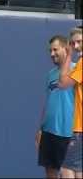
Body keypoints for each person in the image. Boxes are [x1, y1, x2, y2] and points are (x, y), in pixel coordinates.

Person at [34, 35, 75, 178]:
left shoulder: (77, 71)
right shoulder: (51, 75)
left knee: (67, 173)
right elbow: (49, 102)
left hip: (69, 133)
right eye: (50, 51)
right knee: (50, 173)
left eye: (55, 50)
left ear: (66, 49)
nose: (52, 54)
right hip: (49, 133)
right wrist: (41, 128)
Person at [58, 26, 82, 178]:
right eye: (73, 43)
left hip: (80, 129)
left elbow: (63, 83)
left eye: (79, 42)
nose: (76, 46)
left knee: (67, 169)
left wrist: (67, 56)